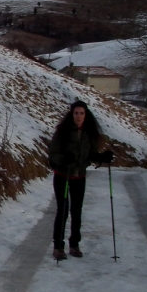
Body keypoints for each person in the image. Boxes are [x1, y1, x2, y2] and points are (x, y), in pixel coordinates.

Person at [47, 100, 113, 260]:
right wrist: (63, 159)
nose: (78, 116)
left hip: (79, 176)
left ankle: (74, 244)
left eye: (81, 113)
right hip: (63, 175)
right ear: (72, 114)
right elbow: (52, 154)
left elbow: (91, 154)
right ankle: (58, 246)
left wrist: (102, 157)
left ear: (86, 114)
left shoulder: (89, 133)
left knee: (76, 211)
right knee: (62, 211)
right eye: (76, 113)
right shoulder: (62, 132)